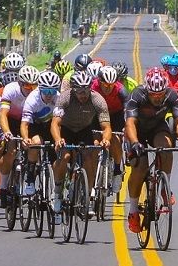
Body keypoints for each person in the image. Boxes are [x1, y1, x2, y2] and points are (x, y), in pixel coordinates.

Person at [125, 67, 178, 233]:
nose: (157, 97)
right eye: (153, 95)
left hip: (157, 127)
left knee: (166, 147)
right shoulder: (137, 95)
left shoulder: (172, 94)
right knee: (139, 169)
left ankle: (164, 187)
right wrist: (134, 143)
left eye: (160, 94)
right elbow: (130, 123)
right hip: (137, 131)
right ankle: (133, 211)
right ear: (147, 89)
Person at [50, 71, 113, 217]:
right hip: (66, 130)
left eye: (86, 91)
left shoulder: (98, 99)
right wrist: (58, 139)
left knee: (90, 158)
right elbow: (55, 123)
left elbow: (106, 127)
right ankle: (57, 192)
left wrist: (106, 139)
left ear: (90, 88)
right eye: (79, 92)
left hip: (84, 130)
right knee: (64, 156)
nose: (83, 95)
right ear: (73, 89)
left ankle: (88, 197)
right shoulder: (64, 98)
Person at [0, 65, 40, 207]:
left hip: (29, 122)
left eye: (34, 85)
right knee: (11, 151)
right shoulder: (11, 89)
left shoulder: (38, 93)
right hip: (12, 122)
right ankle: (2, 188)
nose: (30, 89)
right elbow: (3, 115)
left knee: (34, 144)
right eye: (27, 86)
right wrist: (7, 132)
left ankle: (30, 174)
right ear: (20, 83)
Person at [20, 70, 62, 211]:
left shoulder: (59, 98)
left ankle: (57, 189)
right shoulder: (32, 99)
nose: (49, 94)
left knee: (57, 155)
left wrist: (58, 140)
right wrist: (26, 139)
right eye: (46, 91)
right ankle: (30, 175)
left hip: (51, 125)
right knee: (36, 143)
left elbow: (58, 124)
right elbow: (24, 124)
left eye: (52, 90)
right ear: (40, 89)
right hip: (35, 126)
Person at [91, 65, 128, 194]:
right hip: (97, 115)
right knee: (94, 142)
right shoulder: (92, 87)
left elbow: (128, 110)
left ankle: (117, 171)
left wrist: (126, 126)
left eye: (111, 85)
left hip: (115, 115)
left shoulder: (120, 90)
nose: (108, 88)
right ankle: (94, 171)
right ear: (99, 82)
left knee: (116, 139)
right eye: (105, 85)